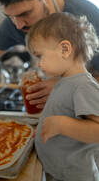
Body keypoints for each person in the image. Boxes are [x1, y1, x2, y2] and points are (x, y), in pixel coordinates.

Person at [26, 12, 99, 181]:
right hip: (59, 171)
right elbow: (63, 110)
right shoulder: (65, 80)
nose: (38, 64)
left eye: (40, 56)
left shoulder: (83, 85)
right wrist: (44, 128)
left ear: (64, 49)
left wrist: (62, 125)